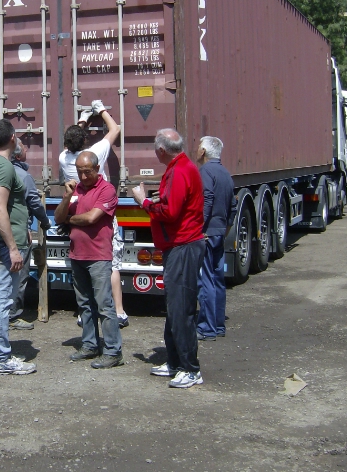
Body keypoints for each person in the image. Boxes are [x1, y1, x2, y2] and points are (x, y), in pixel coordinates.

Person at [132, 129, 205, 389]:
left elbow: (171, 212)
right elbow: (174, 203)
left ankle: (190, 369)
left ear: (161, 150)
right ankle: (175, 362)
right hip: (179, 245)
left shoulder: (180, 170)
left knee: (181, 308)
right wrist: (156, 199)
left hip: (183, 246)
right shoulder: (180, 168)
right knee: (174, 306)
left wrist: (144, 202)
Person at [59, 100, 129, 328]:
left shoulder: (63, 157)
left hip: (76, 213)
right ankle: (118, 311)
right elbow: (115, 129)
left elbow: (73, 140)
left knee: (82, 265)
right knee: (111, 263)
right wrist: (101, 110)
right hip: (98, 211)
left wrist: (83, 118)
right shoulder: (94, 153)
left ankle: (85, 312)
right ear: (85, 141)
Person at [0, 120, 36, 375]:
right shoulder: (3, 166)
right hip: (5, 244)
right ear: (12, 137)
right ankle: (1, 358)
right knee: (2, 300)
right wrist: (13, 247)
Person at [54, 151, 123, 369]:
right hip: (77, 255)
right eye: (80, 172)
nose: (83, 177)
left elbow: (92, 217)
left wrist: (69, 219)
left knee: (104, 305)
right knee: (84, 304)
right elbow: (57, 217)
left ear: (97, 168)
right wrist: (67, 197)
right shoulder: (75, 190)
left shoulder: (107, 190)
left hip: (98, 256)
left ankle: (113, 351)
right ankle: (90, 344)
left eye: (87, 172)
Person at [196, 136, 236, 341]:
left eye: (198, 147)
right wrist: (225, 229)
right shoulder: (225, 173)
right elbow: (232, 206)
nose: (196, 150)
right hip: (219, 232)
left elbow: (207, 199)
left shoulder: (205, 171)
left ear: (203, 151)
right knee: (218, 279)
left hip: (207, 233)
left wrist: (200, 228)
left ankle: (207, 327)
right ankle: (218, 325)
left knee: (206, 280)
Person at [9, 138, 51, 331]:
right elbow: (34, 202)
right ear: (18, 155)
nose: (27, 149)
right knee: (19, 275)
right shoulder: (23, 176)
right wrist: (45, 220)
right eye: (24, 147)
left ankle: (2, 314)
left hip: (2, 231)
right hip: (19, 233)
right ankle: (12, 315)